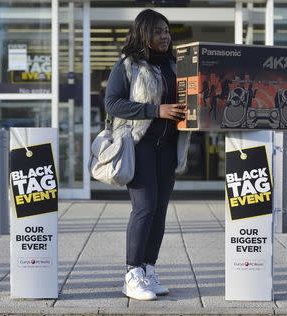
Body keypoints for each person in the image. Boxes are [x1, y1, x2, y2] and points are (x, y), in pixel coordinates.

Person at [104, 9, 191, 301]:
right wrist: (156, 110)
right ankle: (131, 274)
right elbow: (113, 103)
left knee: (160, 212)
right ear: (144, 34)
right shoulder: (128, 65)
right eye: (157, 31)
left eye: (166, 31)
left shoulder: (175, 65)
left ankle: (148, 270)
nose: (165, 36)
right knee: (145, 208)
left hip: (167, 148)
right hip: (138, 145)